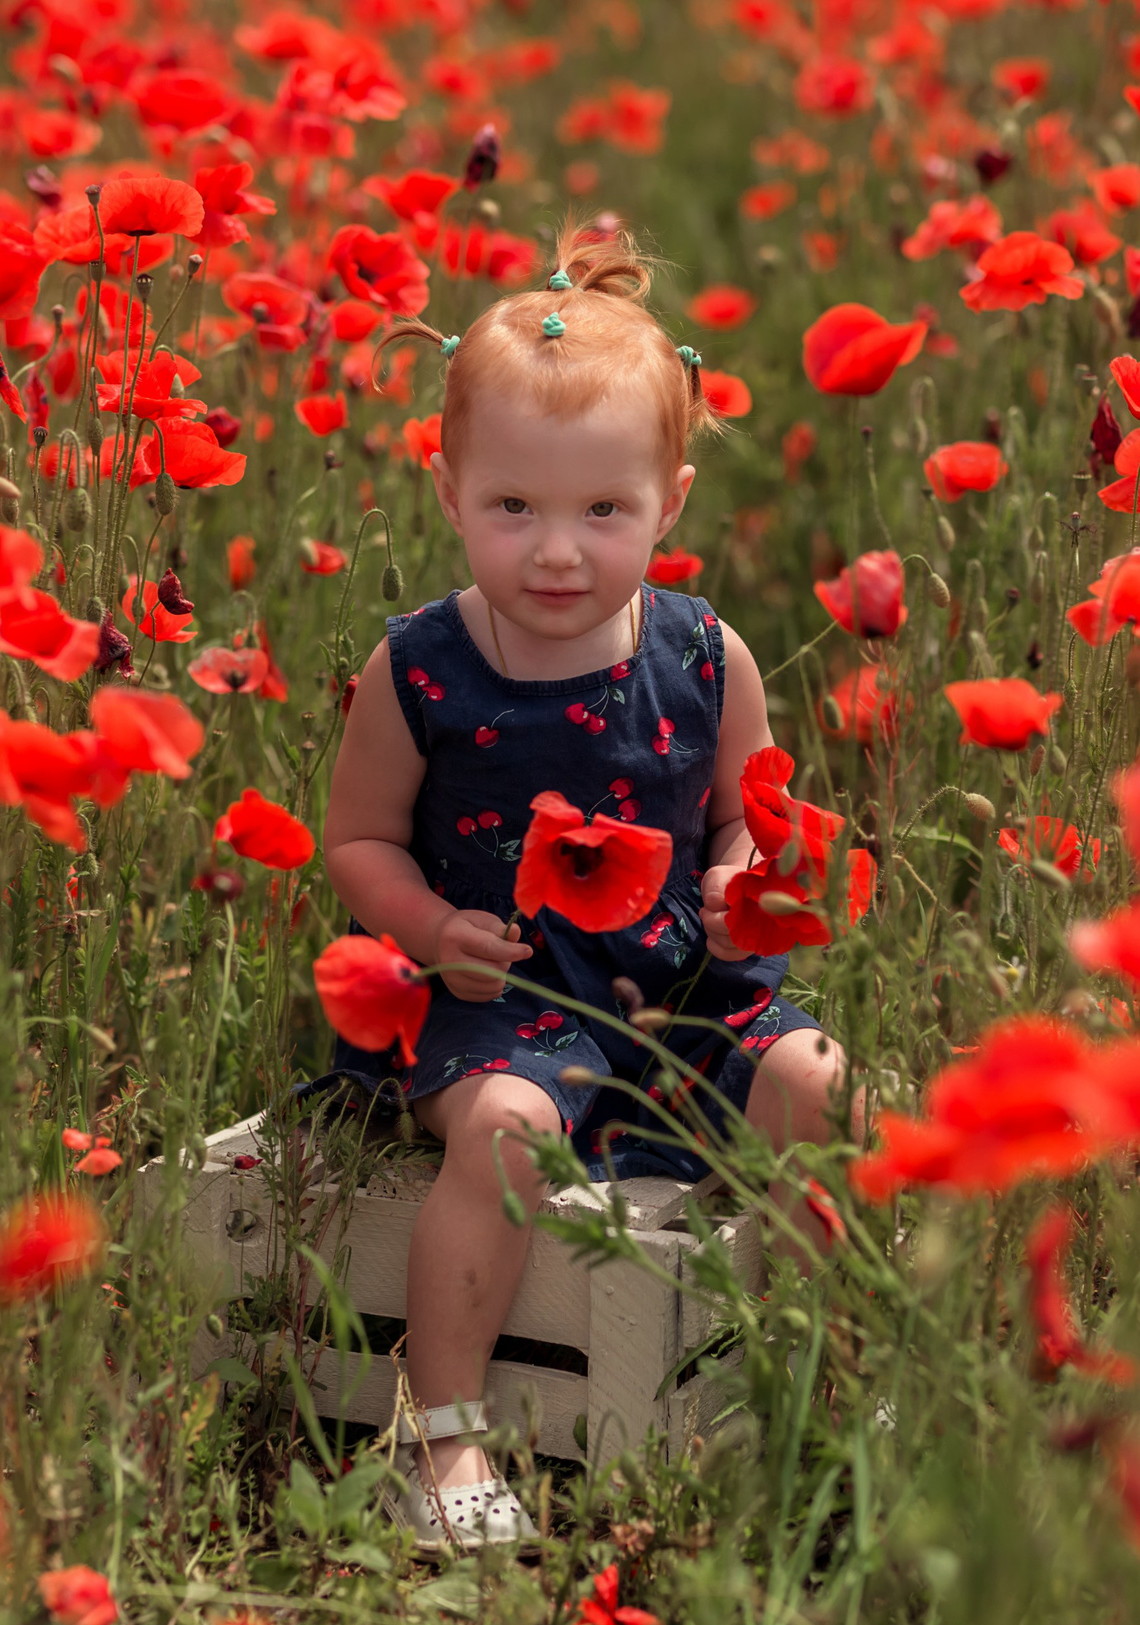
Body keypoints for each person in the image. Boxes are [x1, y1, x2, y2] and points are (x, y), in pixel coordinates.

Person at [317, 222, 856, 1552]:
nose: (557, 554)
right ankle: (443, 1440)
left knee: (819, 1080)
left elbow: (750, 818)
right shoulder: (423, 670)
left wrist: (740, 882)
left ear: (669, 502)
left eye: (602, 513)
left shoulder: (706, 653)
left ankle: (804, 1371)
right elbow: (357, 844)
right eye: (515, 509)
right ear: (449, 495)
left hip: (673, 992)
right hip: (495, 1001)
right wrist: (433, 929)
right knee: (505, 1125)